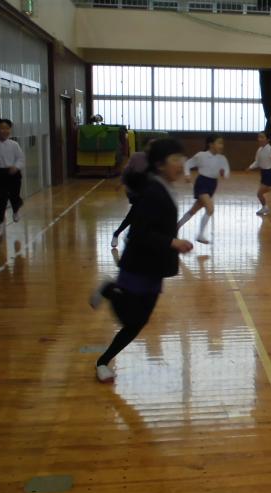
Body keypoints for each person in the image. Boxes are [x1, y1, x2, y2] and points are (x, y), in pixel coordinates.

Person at [89, 138, 194, 383]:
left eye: (182, 158)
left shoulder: (164, 187)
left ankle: (103, 361)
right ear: (160, 164)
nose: (181, 164)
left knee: (138, 321)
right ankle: (109, 291)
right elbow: (139, 233)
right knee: (131, 319)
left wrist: (171, 243)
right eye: (175, 159)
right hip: (137, 265)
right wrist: (173, 242)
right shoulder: (153, 191)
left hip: (155, 267)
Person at [178, 134, 230, 244]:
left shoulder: (222, 158)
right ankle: (200, 235)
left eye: (222, 143)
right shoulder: (201, 155)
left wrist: (223, 174)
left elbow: (227, 173)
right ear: (211, 144)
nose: (221, 145)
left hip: (212, 185)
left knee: (193, 210)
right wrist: (187, 174)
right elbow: (187, 164)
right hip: (202, 183)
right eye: (219, 143)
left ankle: (176, 227)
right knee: (210, 209)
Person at [0, 118, 25, 237]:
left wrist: (16, 167)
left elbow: (21, 158)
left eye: (7, 128)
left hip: (13, 173)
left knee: (14, 195)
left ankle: (16, 210)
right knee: (1, 199)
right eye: (2, 128)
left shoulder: (14, 144)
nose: (5, 130)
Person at [112, 140, 154, 248]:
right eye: (150, 145)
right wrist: (121, 182)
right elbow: (127, 170)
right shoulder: (137, 157)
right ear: (146, 147)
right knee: (136, 212)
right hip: (133, 190)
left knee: (138, 214)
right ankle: (121, 234)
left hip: (145, 191)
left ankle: (124, 234)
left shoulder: (156, 160)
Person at [248, 131, 271, 216]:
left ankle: (265, 207)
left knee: (259, 193)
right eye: (259, 137)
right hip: (263, 173)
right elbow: (257, 162)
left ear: (267, 139)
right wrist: (250, 167)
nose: (260, 139)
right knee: (262, 192)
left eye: (262, 137)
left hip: (270, 172)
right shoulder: (259, 150)